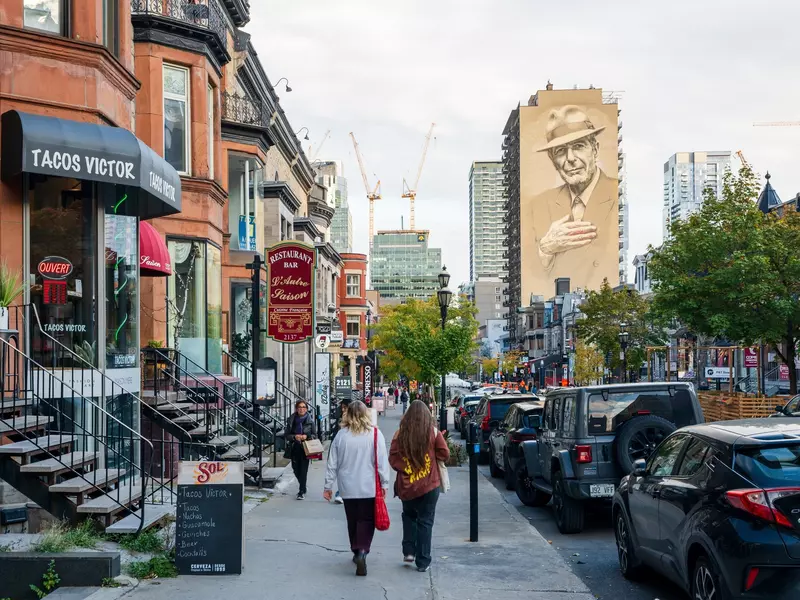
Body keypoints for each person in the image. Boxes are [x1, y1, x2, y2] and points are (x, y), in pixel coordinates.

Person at [525, 104, 619, 292]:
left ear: (595, 149)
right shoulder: (539, 205)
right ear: (553, 160)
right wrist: (545, 249)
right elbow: (532, 276)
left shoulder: (617, 194)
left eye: (578, 146)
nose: (570, 158)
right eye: (560, 151)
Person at [323, 400, 389, 577]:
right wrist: (385, 483)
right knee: (366, 520)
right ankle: (362, 550)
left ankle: (355, 550)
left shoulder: (341, 436)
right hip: (368, 486)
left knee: (352, 519)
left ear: (348, 414)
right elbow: (382, 461)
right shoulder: (375, 434)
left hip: (347, 486)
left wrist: (328, 485)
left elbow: (332, 463)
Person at [389, 400, 450, 573]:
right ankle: (423, 562)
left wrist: (406, 468)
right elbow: (445, 454)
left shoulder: (400, 434)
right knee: (426, 521)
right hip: (429, 485)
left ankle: (409, 551)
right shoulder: (433, 432)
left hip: (407, 486)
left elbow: (393, 459)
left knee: (408, 516)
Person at [285, 400, 316, 500]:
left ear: (306, 409)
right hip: (295, 447)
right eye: (299, 407)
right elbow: (286, 435)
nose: (301, 409)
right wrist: (295, 437)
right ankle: (303, 485)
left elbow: (315, 435)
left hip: (306, 447)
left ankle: (301, 491)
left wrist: (306, 436)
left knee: (303, 470)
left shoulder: (310, 421)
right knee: (295, 469)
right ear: (296, 408)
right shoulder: (291, 420)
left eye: (303, 407)